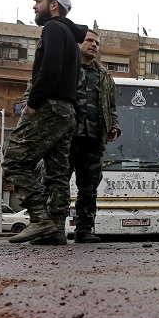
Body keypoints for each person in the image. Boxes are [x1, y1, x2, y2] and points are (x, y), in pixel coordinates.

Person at [2, 0, 88, 244]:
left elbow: (50, 68)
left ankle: (40, 219)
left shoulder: (52, 28)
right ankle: (56, 231)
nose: (33, 6)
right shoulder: (72, 40)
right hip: (66, 112)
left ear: (53, 5)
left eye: (38, 1)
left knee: (14, 160)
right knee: (57, 172)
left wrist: (34, 100)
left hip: (49, 107)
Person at [50, 29, 120, 244]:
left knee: (89, 188)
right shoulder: (65, 68)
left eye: (97, 43)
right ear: (79, 43)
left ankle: (84, 230)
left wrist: (114, 125)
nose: (94, 45)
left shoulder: (105, 76)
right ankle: (55, 230)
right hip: (66, 137)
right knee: (58, 184)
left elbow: (111, 106)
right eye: (89, 40)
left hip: (93, 139)